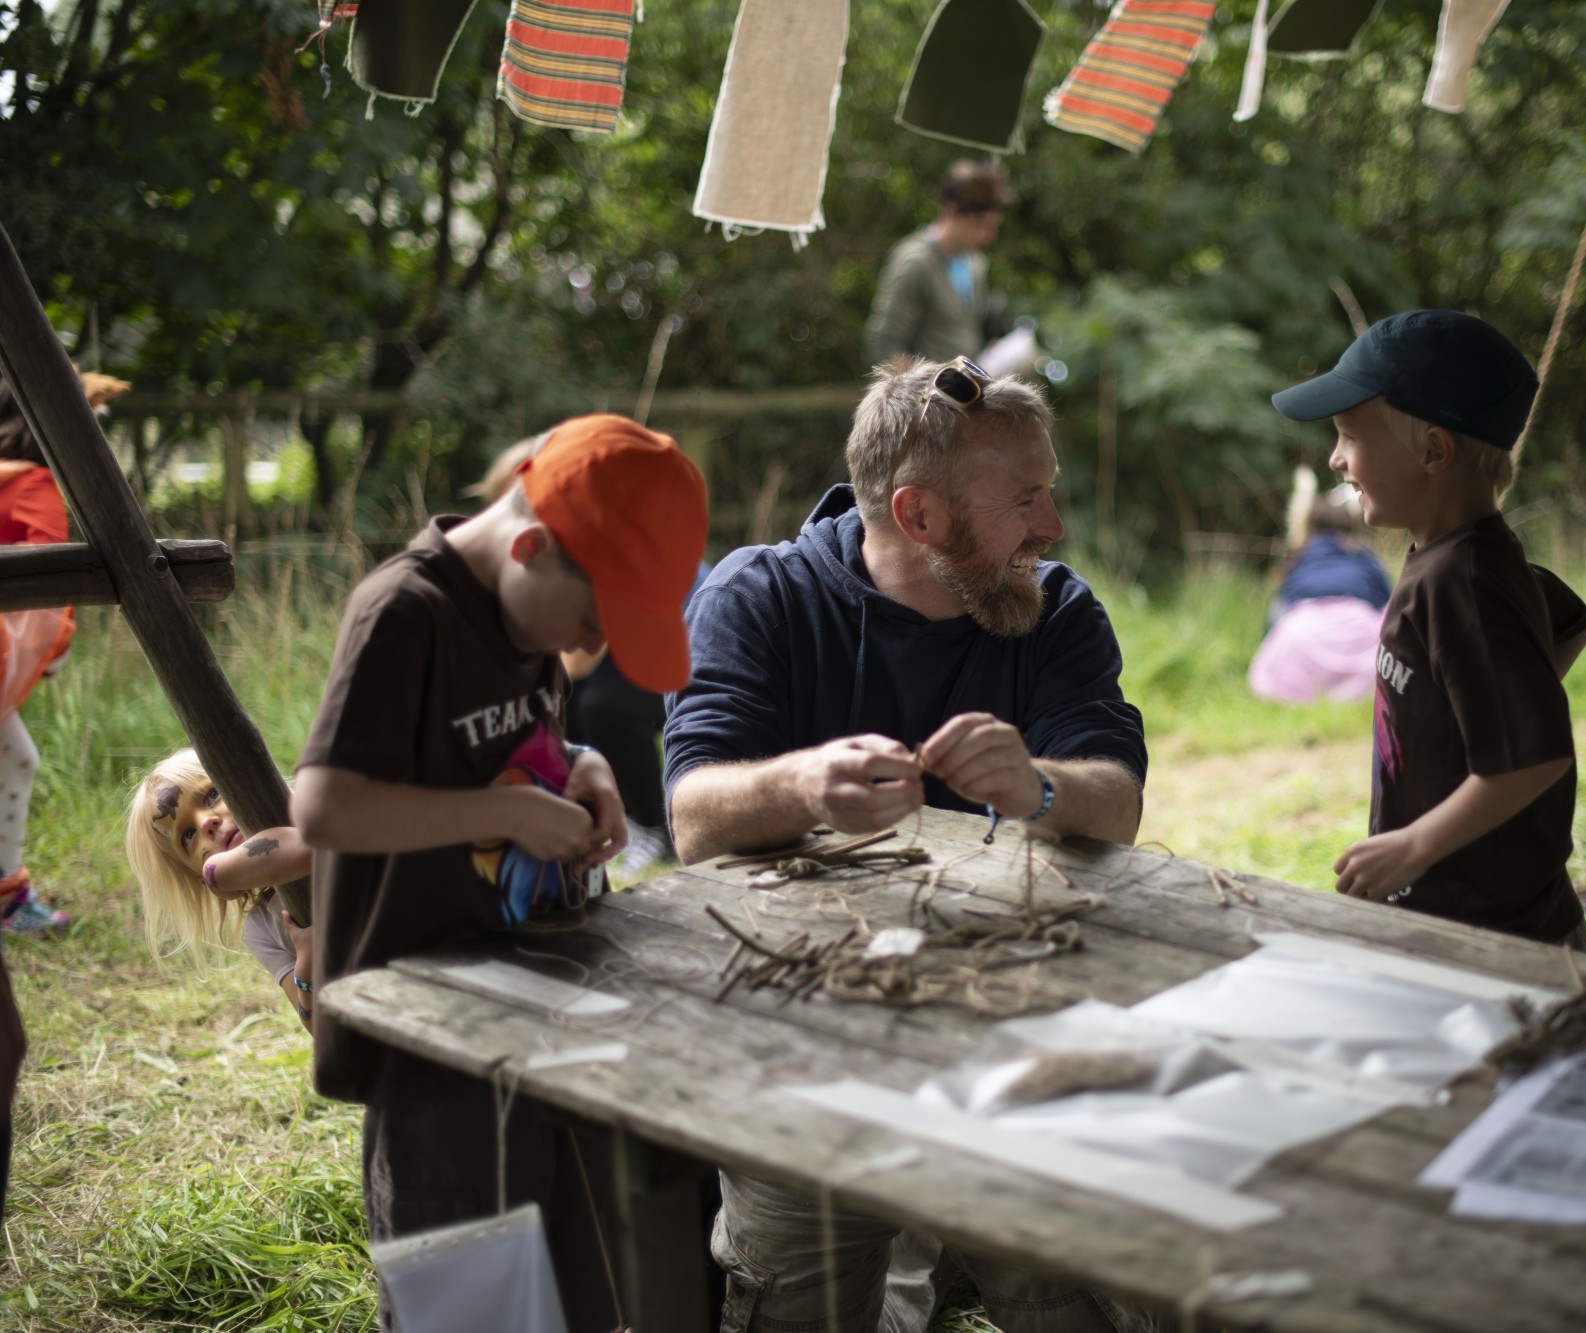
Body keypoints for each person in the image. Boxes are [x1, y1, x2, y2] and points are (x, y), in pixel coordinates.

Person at [664, 357, 1148, 1331]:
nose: (1050, 527)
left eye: (1047, 492)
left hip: (1009, 1017)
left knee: (1083, 1292)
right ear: (918, 515)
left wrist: (1042, 785)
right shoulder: (760, 596)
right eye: (1025, 500)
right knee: (792, 1301)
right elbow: (692, 815)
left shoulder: (1055, 610)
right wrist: (797, 783)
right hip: (798, 1033)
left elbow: (1118, 800)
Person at [291, 414, 708, 1330]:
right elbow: (324, 805)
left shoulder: (529, 615)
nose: (589, 644)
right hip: (428, 1033)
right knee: (470, 1299)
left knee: (581, 1282)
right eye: (594, 618)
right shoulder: (405, 611)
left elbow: (523, 747)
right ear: (531, 545)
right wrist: (507, 813)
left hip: (542, 1011)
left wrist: (583, 766)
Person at [1272, 310, 1586, 946]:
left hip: (1497, 934)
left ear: (1433, 450)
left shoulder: (1463, 579)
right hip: (1457, 913)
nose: (1335, 460)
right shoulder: (1453, 555)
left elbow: (1536, 756)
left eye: (1348, 437)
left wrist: (1416, 846)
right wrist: (1483, 707)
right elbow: (1569, 618)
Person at [468, 434, 710, 875]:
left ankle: (655, 826)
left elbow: (576, 664)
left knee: (601, 705)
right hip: (644, 656)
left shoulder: (606, 547)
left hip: (694, 656)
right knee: (574, 700)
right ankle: (611, 814)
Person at [0, 371, 127, 936]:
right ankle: (7, 901)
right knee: (16, 759)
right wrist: (52, 654)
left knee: (17, 758)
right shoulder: (34, 487)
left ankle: (8, 892)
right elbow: (45, 586)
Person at [124, 749, 315, 1026]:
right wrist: (307, 970)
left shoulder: (318, 814)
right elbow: (321, 1032)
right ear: (198, 879)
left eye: (211, 795)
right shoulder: (261, 926)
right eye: (188, 835)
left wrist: (220, 872)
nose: (206, 823)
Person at [1248, 480, 1393, 704]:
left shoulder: (1301, 558)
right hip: (1361, 628)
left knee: (1279, 614)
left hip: (1302, 628)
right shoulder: (1364, 556)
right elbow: (1388, 598)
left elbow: (1282, 602)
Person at [865, 163, 1015, 366]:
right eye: (980, 225)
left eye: (992, 227)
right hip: (926, 393)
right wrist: (919, 391)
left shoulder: (975, 264)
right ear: (950, 211)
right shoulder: (915, 262)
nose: (988, 236)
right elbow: (885, 345)